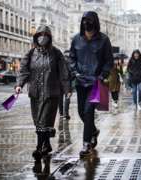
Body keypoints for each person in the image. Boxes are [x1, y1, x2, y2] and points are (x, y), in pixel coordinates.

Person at [15, 25, 71, 161]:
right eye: (40, 34)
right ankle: (47, 145)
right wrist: (19, 85)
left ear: (50, 37)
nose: (42, 37)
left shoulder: (56, 53)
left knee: (44, 120)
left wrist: (67, 88)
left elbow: (63, 71)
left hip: (51, 92)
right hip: (35, 92)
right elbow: (23, 70)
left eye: (45, 35)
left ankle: (39, 147)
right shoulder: (30, 53)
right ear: (36, 37)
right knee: (38, 121)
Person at [69, 11, 113, 157]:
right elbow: (72, 59)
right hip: (80, 82)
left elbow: (109, 61)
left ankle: (86, 143)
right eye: (83, 20)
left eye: (88, 20)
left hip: (95, 83)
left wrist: (101, 76)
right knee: (81, 112)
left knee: (88, 111)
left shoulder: (104, 40)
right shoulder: (76, 39)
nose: (85, 23)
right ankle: (93, 131)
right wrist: (75, 72)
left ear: (95, 22)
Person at [58, 50, 73, 120]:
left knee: (60, 98)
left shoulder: (58, 60)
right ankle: (66, 114)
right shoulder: (70, 60)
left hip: (58, 81)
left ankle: (61, 113)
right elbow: (71, 72)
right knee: (67, 98)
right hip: (67, 82)